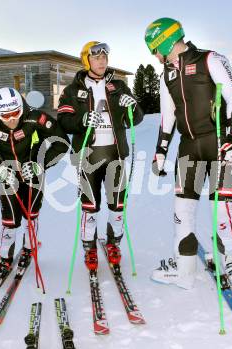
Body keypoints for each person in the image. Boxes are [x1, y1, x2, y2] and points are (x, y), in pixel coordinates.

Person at [144, 18, 232, 290]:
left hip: (218, 143)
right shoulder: (166, 74)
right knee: (182, 208)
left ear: (165, 41)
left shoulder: (210, 59)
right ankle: (184, 267)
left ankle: (231, 260)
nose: (154, 55)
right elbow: (167, 116)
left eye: (154, 48)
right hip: (188, 146)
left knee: (222, 206)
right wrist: (160, 151)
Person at [0, 87, 69, 279]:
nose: (11, 119)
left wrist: (40, 165)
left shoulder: (36, 118)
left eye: (15, 113)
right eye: (5, 115)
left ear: (21, 107)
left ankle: (28, 248)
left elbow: (62, 143)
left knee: (31, 216)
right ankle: (5, 259)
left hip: (34, 175)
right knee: (10, 221)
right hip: (7, 177)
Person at [57, 41, 143, 271]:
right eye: (96, 57)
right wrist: (82, 121)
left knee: (117, 204)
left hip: (115, 153)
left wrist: (132, 107)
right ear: (87, 60)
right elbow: (63, 120)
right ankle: (90, 247)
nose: (102, 61)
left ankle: (114, 243)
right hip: (88, 155)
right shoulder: (73, 90)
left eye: (105, 57)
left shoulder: (119, 86)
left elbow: (137, 117)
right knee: (90, 205)